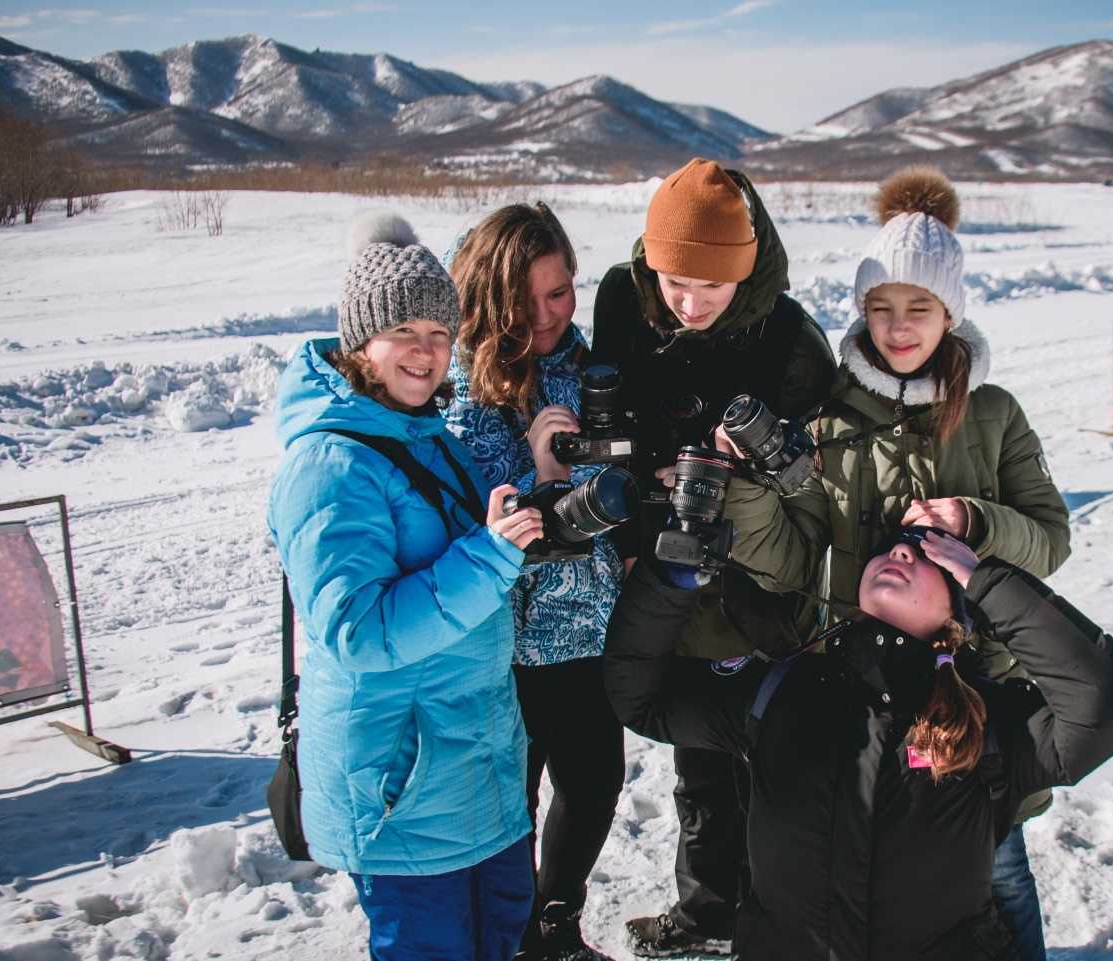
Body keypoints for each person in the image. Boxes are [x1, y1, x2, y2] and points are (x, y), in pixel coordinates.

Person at [718, 167, 1069, 960]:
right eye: (881, 308)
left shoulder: (993, 412)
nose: (899, 327)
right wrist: (745, 488)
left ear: (952, 311)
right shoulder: (829, 415)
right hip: (861, 681)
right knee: (875, 859)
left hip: (973, 681)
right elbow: (787, 557)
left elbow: (1050, 537)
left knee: (997, 863)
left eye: (919, 309)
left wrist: (976, 521)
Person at [604, 526, 1113, 961]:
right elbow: (641, 699)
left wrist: (988, 580)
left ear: (957, 608)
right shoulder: (778, 691)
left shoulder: (990, 721)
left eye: (926, 556)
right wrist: (666, 578)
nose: (899, 555)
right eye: (888, 551)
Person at [268, 211, 542, 961]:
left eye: (439, 334)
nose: (427, 353)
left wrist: (537, 491)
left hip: (475, 764)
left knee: (503, 939)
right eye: (405, 333)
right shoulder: (329, 465)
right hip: (405, 787)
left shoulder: (424, 431)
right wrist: (489, 558)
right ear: (362, 342)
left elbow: (469, 534)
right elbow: (359, 630)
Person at [589, 157, 837, 957]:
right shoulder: (623, 304)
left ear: (745, 271)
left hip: (759, 586)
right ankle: (704, 917)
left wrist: (754, 466)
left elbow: (819, 481)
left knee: (773, 765)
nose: (689, 305)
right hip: (667, 575)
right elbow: (609, 419)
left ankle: (780, 923)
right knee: (699, 769)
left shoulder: (792, 341)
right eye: (674, 284)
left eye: (711, 288)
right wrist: (648, 478)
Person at [444, 202, 625, 961]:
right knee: (507, 806)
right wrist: (538, 468)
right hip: (501, 638)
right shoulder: (459, 376)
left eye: (564, 290)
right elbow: (461, 504)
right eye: (536, 296)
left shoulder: (588, 365)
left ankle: (555, 924)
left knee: (593, 785)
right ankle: (513, 936)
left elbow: (614, 477)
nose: (554, 312)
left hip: (585, 622)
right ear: (497, 294)